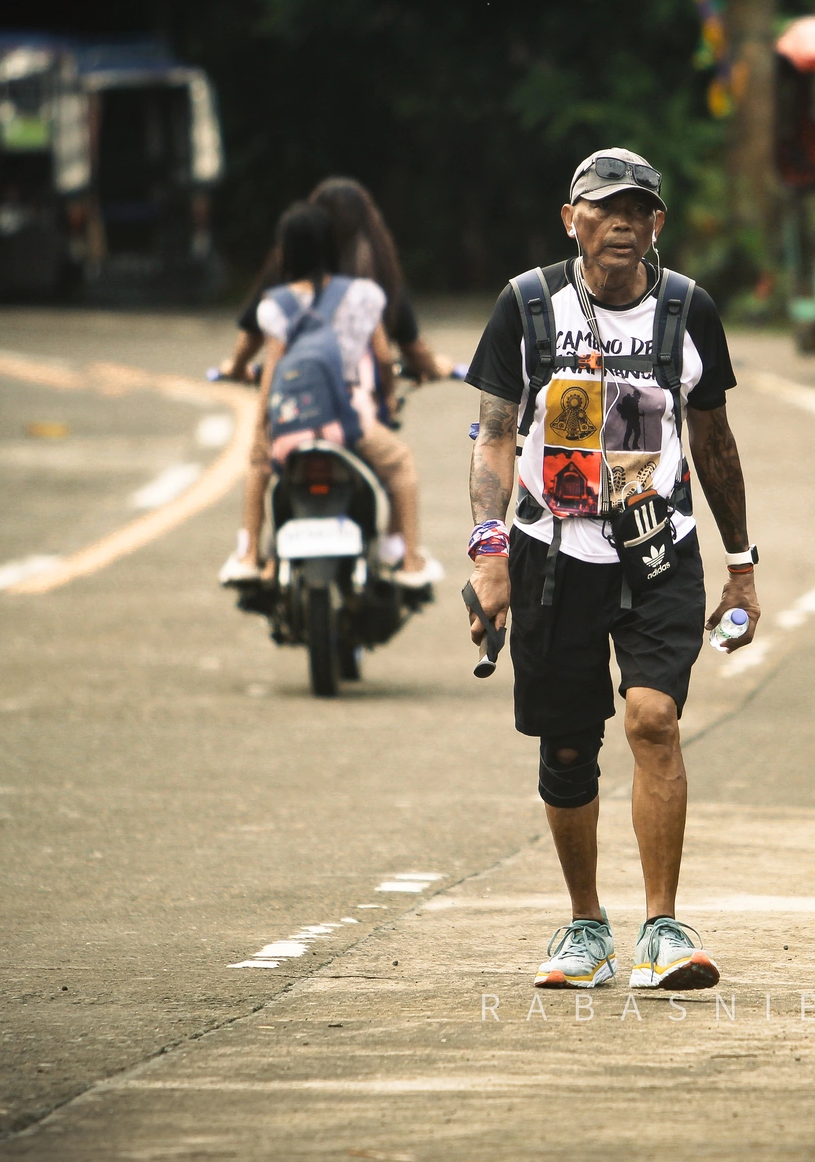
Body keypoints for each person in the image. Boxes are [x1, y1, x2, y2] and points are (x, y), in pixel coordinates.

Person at [463, 147, 758, 992]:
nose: (621, 224)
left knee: (653, 719)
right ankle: (585, 926)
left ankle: (663, 928)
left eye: (637, 211)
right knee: (567, 745)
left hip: (658, 548)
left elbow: (714, 441)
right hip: (553, 554)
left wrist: (741, 565)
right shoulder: (527, 306)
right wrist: (489, 556)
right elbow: (493, 435)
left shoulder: (687, 310)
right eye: (603, 209)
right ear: (572, 220)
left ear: (657, 225)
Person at [217, 178, 447, 583]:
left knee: (257, 466)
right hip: (348, 422)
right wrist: (388, 399)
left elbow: (272, 368)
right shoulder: (363, 295)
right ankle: (409, 560)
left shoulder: (276, 305)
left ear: (285, 251)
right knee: (400, 464)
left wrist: (261, 428)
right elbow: (382, 357)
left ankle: (250, 554)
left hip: (291, 423)